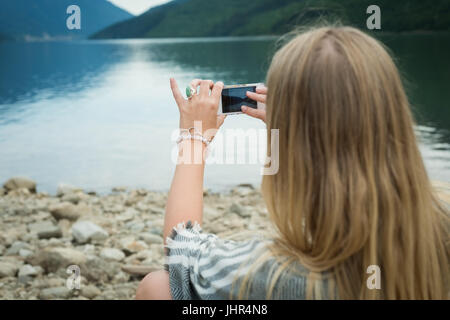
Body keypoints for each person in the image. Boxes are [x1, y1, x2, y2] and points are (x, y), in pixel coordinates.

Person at [136, 26, 449, 300]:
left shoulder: (278, 275)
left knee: (157, 287)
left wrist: (194, 138)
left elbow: (180, 247)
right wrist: (299, 130)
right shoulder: (439, 222)